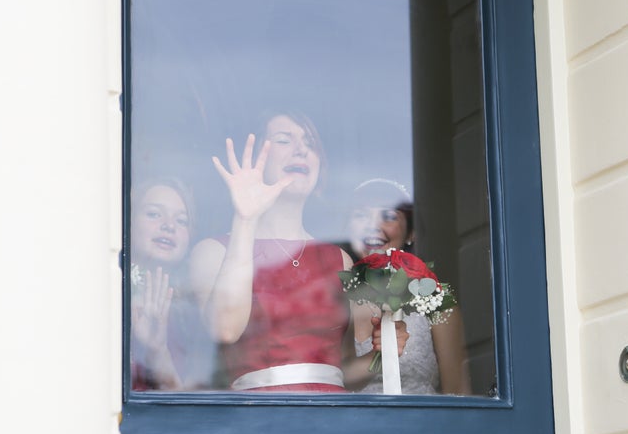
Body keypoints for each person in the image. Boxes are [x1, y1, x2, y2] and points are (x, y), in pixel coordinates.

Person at [189, 112, 404, 392]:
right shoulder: (213, 251)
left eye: (310, 143)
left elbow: (345, 371)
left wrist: (383, 354)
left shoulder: (340, 260)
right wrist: (245, 218)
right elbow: (225, 329)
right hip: (257, 416)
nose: (301, 149)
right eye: (283, 140)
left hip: (331, 417)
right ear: (257, 160)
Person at [347, 178, 471, 395]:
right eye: (361, 215)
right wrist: (378, 357)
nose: (373, 225)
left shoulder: (435, 299)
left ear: (411, 233)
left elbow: (458, 389)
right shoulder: (332, 296)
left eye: (388, 216)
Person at [129, 178, 216, 390]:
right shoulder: (105, 288)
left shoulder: (194, 312)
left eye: (181, 220)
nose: (168, 226)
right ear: (128, 221)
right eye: (154, 214)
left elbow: (188, 403)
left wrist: (157, 350)